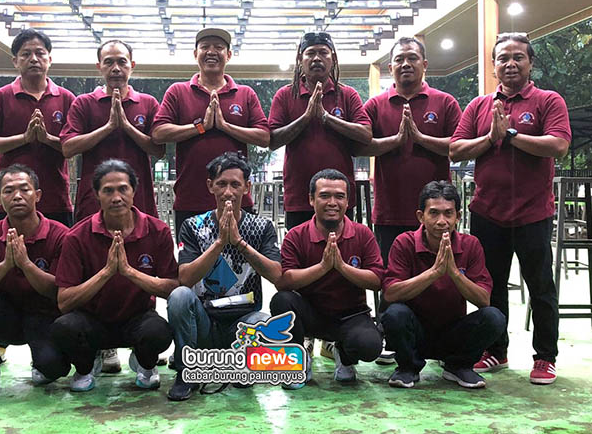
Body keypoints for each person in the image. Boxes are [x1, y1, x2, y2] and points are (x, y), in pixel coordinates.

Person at [450, 33, 571, 385]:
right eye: (503, 58)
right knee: (491, 286)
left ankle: (545, 357)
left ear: (531, 63)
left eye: (518, 57)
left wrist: (511, 135)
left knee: (541, 288)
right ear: (493, 66)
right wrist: (490, 138)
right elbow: (456, 149)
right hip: (487, 213)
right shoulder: (479, 106)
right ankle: (496, 350)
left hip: (533, 214)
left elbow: (558, 145)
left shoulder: (548, 101)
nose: (511, 64)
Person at [355, 36, 463, 365]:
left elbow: (459, 146)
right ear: (390, 66)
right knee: (391, 278)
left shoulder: (444, 102)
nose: (405, 64)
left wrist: (419, 138)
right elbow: (359, 145)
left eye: (412, 58)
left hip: (437, 215)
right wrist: (396, 140)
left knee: (441, 276)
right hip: (390, 209)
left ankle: (445, 342)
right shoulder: (376, 105)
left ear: (424, 64)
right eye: (399, 59)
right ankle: (391, 339)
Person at [50, 159, 178, 392]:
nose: (116, 197)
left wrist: (129, 271)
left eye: (123, 189)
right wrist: (107, 272)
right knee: (64, 327)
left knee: (158, 332)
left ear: (134, 192)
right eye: (108, 191)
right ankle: (86, 366)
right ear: (96, 195)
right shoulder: (77, 236)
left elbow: (173, 287)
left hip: (137, 318)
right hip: (93, 320)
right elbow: (64, 301)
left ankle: (145, 363)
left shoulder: (157, 230)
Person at [167, 152, 282, 401]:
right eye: (221, 184)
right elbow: (185, 278)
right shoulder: (193, 226)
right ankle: (187, 371)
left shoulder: (262, 227)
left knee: (266, 325)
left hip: (242, 320)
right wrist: (219, 243)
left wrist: (239, 243)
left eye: (235, 184)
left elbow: (276, 275)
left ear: (247, 187)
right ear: (210, 186)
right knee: (179, 296)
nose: (228, 192)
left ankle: (236, 363)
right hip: (204, 322)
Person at [381, 181, 505, 389]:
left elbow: (484, 300)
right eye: (434, 213)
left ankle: (459, 366)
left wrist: (454, 273)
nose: (441, 221)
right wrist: (433, 273)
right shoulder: (404, 242)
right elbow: (390, 294)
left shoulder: (470, 245)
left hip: (453, 333)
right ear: (421, 216)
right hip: (414, 333)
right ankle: (408, 367)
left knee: (494, 317)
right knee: (394, 314)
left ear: (458, 216)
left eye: (448, 213)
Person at [0, 164, 70, 399]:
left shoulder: (60, 234)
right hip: (6, 316)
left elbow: (61, 290)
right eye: (9, 191)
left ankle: (41, 362)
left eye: (25, 189)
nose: (18, 196)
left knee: (53, 369)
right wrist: (6, 265)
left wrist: (26, 265)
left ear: (37, 195)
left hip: (45, 316)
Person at [270, 169, 385, 389]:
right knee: (282, 300)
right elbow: (284, 281)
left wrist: (342, 267)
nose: (332, 202)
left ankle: (344, 354)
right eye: (324, 196)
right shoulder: (296, 235)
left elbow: (377, 280)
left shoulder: (362, 234)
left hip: (350, 315)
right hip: (311, 314)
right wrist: (323, 267)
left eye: (339, 196)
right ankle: (298, 359)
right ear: (311, 199)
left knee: (370, 346)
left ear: (347, 201)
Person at [152, 28, 270, 237]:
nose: (211, 52)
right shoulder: (178, 91)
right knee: (193, 258)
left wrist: (225, 126)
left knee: (239, 255)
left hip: (237, 201)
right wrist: (201, 127)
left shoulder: (245, 94)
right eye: (205, 47)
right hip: (190, 200)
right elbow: (158, 133)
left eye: (219, 47)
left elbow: (264, 137)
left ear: (229, 54)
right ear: (195, 54)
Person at [269, 31, 371, 230]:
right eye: (310, 53)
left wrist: (326, 117)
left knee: (342, 246)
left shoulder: (347, 94)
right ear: (300, 59)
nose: (317, 58)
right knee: (300, 249)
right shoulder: (285, 95)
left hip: (339, 198)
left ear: (333, 58)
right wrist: (306, 118)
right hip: (299, 197)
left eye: (323, 53)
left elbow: (366, 134)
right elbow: (272, 140)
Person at [0, 29, 75, 227]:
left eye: (40, 53)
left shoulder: (66, 98)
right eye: (26, 54)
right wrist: (24, 138)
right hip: (9, 203)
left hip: (55, 200)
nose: (34, 59)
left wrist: (47, 139)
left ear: (49, 59)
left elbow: (75, 147)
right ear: (15, 61)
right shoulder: (0, 98)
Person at [61, 39, 163, 222]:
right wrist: (108, 127)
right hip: (94, 201)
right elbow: (68, 148)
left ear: (132, 65)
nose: (116, 68)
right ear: (99, 66)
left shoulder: (148, 103)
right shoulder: (84, 103)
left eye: (122, 62)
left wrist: (127, 127)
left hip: (138, 199)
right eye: (108, 62)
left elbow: (158, 150)